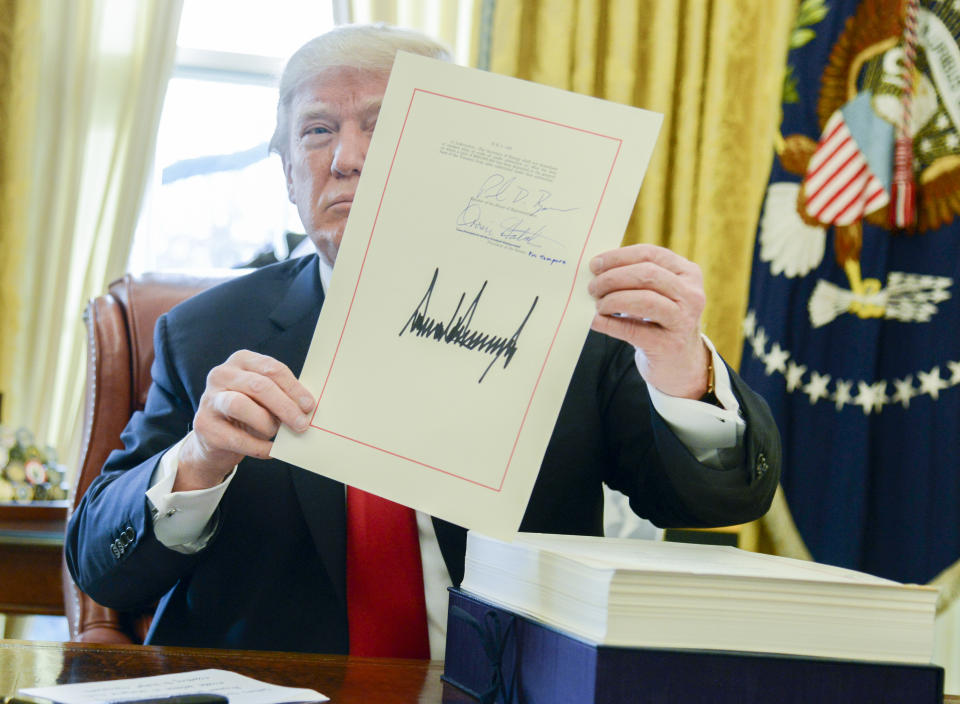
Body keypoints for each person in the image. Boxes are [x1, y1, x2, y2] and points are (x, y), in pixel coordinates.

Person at [65, 24, 781, 658]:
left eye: (381, 126)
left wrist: (682, 366)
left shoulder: (577, 321)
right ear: (287, 174)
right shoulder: (206, 332)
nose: (346, 157)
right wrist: (199, 460)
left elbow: (715, 505)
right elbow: (101, 568)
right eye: (317, 131)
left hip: (501, 683)